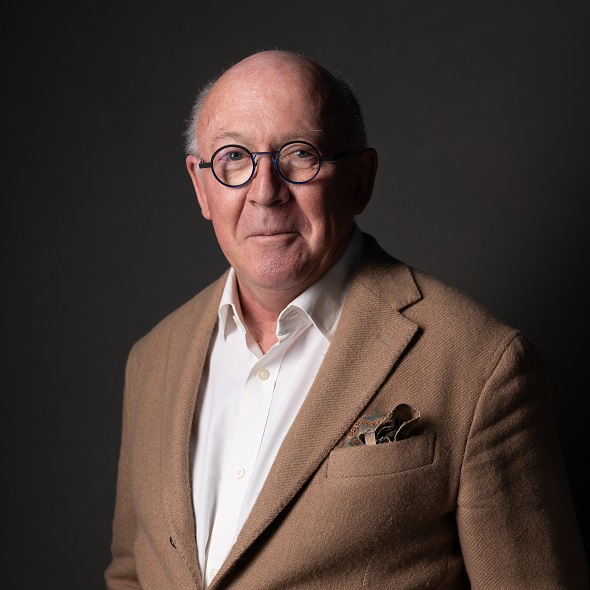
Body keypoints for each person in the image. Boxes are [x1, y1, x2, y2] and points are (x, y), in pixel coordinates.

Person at [104, 49, 588, 589]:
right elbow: (132, 573)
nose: (265, 192)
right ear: (201, 187)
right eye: (234, 157)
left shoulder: (483, 365)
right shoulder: (152, 359)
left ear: (360, 179)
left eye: (300, 154)